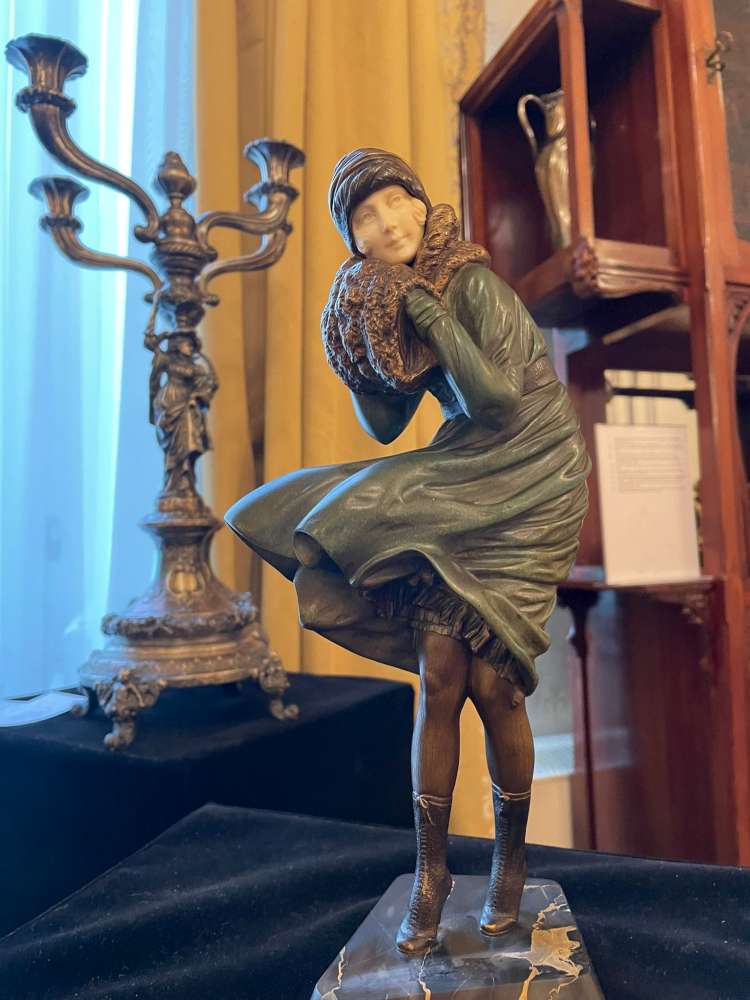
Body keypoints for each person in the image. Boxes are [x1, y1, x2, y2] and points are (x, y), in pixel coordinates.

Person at [226, 148, 590, 954]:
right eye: (365, 217)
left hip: (533, 468)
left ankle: (510, 861)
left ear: (422, 205)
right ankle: (432, 871)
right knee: (441, 675)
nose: (388, 224)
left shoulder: (470, 284)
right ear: (354, 241)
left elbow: (495, 400)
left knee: (497, 687)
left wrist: (425, 311)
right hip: (468, 467)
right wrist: (356, 343)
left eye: (397, 203)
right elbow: (387, 426)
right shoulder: (392, 292)